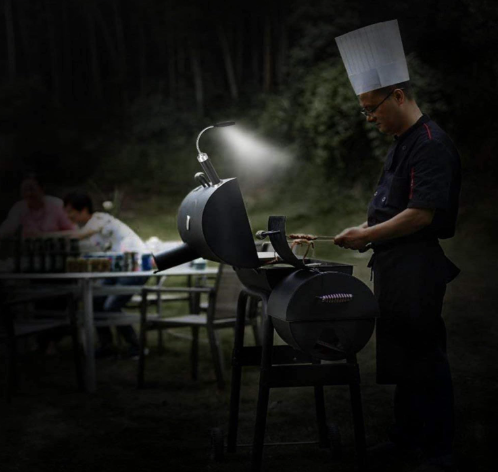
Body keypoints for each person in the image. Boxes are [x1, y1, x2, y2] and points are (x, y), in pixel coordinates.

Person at [334, 21, 461, 472]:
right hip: (394, 267)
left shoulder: (430, 144)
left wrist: (367, 236)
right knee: (405, 358)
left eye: (372, 108)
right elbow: (393, 208)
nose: (370, 118)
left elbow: (421, 214)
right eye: (365, 110)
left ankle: (440, 450)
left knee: (424, 357)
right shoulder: (400, 142)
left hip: (418, 268)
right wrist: (362, 229)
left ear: (399, 96)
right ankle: (407, 439)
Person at [63, 192, 148, 358]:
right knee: (94, 301)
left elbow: (87, 232)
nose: (68, 216)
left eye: (70, 211)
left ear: (83, 210)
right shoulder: (86, 229)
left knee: (111, 306)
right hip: (117, 268)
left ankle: (136, 347)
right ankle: (106, 345)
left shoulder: (100, 218)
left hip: (136, 266)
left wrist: (59, 237)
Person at [0, 174, 75, 238]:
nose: (28, 193)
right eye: (25, 190)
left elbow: (73, 231)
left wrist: (45, 235)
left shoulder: (57, 205)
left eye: (32, 189)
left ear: (42, 189)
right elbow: (6, 229)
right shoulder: (19, 207)